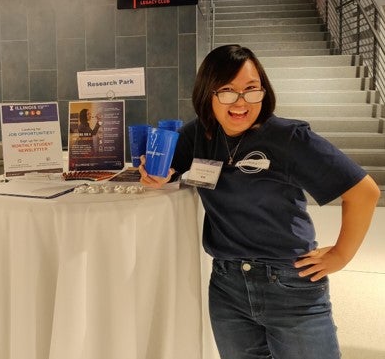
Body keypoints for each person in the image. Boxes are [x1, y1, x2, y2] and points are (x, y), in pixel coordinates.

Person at [138, 44, 380, 359]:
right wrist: (157, 174)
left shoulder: (289, 138)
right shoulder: (198, 134)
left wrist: (341, 254)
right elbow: (170, 169)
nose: (240, 103)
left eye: (251, 90)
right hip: (227, 287)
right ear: (208, 93)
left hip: (290, 284)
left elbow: (363, 191)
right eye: (227, 91)